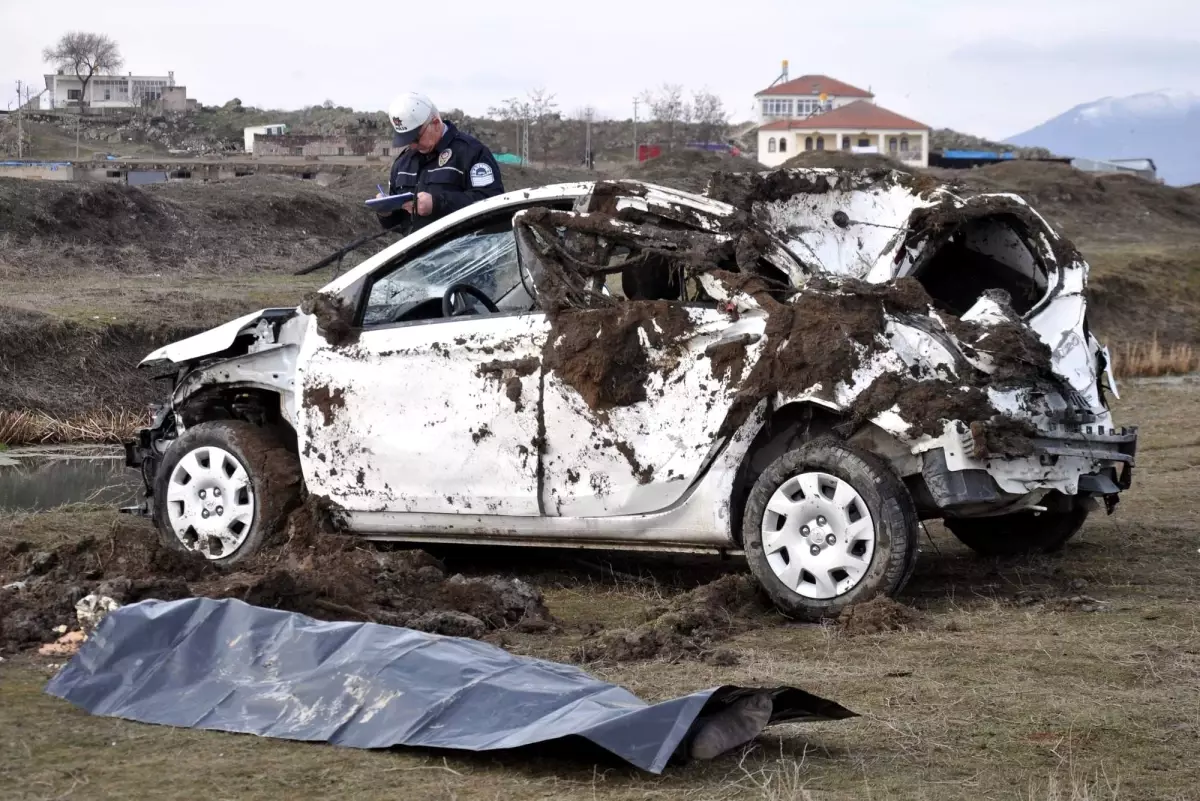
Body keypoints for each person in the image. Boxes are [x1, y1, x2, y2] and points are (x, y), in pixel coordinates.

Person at [376, 92, 505, 232]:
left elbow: (493, 204)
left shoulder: (471, 153)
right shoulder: (402, 164)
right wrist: (385, 212)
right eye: (407, 140)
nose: (412, 146)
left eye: (416, 139)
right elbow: (398, 223)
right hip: (418, 252)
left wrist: (437, 204)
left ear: (436, 123)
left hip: (465, 251)